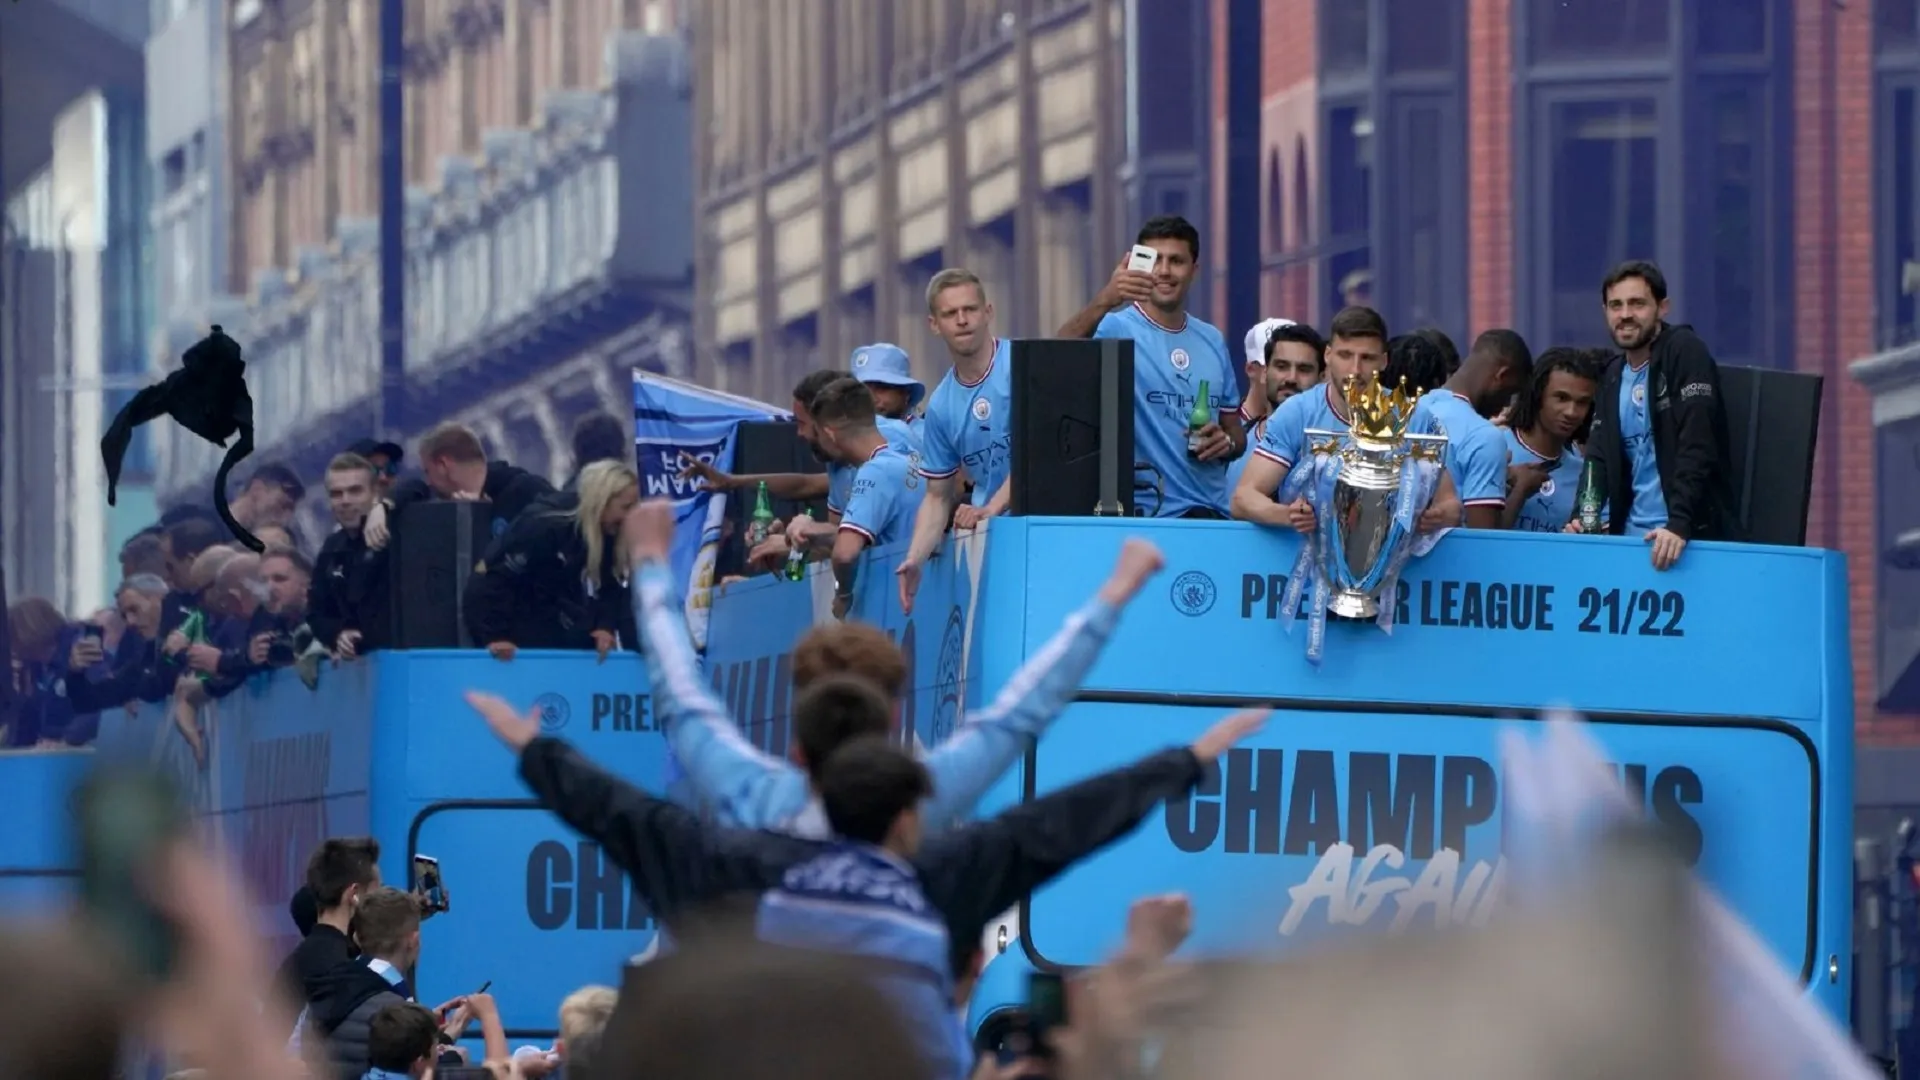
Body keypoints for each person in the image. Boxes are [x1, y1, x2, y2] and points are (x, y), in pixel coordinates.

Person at [465, 681, 1266, 1080]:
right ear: (909, 822)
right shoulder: (937, 884)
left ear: (810, 782)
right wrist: (1183, 761)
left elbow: (625, 814)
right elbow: (1058, 825)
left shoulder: (741, 872)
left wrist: (536, 751)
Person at [624, 497, 1162, 834]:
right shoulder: (922, 800)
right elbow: (1021, 713)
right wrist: (1113, 595)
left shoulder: (753, 797)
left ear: (795, 747)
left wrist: (650, 565)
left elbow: (680, 698)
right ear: (892, 719)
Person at [1058, 215, 1248, 518]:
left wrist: (1224, 442)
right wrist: (1106, 299)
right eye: (1155, 260)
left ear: (1194, 270)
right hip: (1150, 514)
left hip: (1215, 515)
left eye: (1176, 261)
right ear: (1139, 264)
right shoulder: (1114, 327)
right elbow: (1054, 355)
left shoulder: (1212, 339)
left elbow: (1237, 434)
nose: (1164, 271)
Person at [1230, 306, 1463, 531]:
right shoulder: (1296, 413)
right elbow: (1243, 498)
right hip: (1307, 563)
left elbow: (1451, 505)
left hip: (1393, 564)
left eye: (1367, 358)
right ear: (1328, 355)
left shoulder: (1414, 416)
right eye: (1345, 355)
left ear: (1383, 362)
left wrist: (1436, 518)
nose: (1355, 369)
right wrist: (1287, 516)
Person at [1582, 260, 1738, 570]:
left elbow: (1698, 441)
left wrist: (1679, 523)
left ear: (1662, 307)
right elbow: (1597, 458)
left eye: (1637, 303)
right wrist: (1582, 517)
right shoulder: (1613, 374)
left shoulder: (1684, 350)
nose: (1625, 314)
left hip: (1684, 542)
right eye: (1616, 305)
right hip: (1628, 541)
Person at [465, 459, 640, 661]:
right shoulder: (545, 525)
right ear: (601, 501)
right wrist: (496, 635)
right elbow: (492, 579)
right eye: (626, 507)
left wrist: (605, 626)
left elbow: (610, 584)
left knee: (581, 638)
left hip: (548, 602)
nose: (631, 516)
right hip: (507, 607)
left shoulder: (604, 532)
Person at [903, 269, 1015, 555]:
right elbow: (936, 497)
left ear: (988, 312)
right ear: (934, 324)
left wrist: (993, 507)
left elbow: (1042, 456)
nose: (962, 320)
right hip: (987, 537)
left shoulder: (1020, 366)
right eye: (950, 313)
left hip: (1041, 525)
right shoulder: (940, 405)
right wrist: (915, 559)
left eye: (970, 309)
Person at [806, 378, 927, 618]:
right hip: (925, 593)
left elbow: (845, 553)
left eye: (817, 433)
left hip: (900, 605)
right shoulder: (911, 454)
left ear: (829, 434)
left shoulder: (875, 471)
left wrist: (844, 593)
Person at [1409, 328, 1534, 529]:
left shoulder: (1411, 411)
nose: (1506, 404)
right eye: (1511, 392)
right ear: (1502, 375)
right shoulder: (1485, 437)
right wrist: (1522, 488)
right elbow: (1484, 540)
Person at [362, 422, 557, 550]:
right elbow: (415, 488)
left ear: (444, 465)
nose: (429, 481)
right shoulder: (448, 500)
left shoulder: (525, 490)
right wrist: (384, 506)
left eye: (428, 471)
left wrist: (483, 514)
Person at [1227, 322, 1327, 504]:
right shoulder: (1238, 442)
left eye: (1304, 369)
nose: (1291, 378)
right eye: (1282, 366)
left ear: (1321, 379)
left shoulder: (1331, 451)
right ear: (1264, 373)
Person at [276, 837, 381, 1010]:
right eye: (376, 894)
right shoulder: (344, 969)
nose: (380, 904)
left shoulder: (294, 961)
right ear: (354, 895)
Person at [1504, 348, 1601, 533]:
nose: (1571, 412)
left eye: (1582, 402)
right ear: (1538, 395)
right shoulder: (1496, 450)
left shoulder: (1585, 475)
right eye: (1561, 398)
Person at [310, 453, 391, 660]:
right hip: (359, 670)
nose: (345, 501)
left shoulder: (397, 531)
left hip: (400, 660)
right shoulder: (331, 548)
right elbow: (316, 612)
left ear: (375, 492)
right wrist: (337, 635)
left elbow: (418, 488)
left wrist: (386, 507)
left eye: (355, 491)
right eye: (336, 494)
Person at [851, 343, 928, 427]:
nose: (872, 398)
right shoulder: (843, 434)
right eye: (863, 389)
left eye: (881, 388)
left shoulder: (925, 436)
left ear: (906, 393)